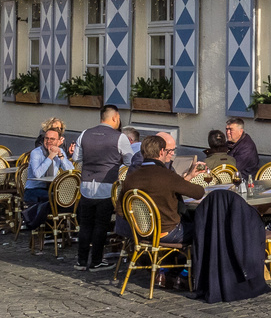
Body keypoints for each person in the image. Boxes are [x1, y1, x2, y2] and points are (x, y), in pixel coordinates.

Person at [73, 105, 136, 272]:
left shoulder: (84, 133)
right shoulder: (119, 137)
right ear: (115, 118)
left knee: (85, 225)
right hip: (107, 186)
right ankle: (95, 261)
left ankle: (81, 261)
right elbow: (130, 162)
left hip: (86, 185)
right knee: (101, 225)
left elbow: (76, 158)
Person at [121, 134, 207, 246]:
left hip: (138, 232)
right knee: (205, 227)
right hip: (167, 232)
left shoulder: (131, 177)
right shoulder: (166, 175)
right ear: (162, 152)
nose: (171, 154)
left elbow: (120, 209)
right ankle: (202, 262)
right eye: (169, 151)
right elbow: (199, 193)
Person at [24, 119, 75, 229]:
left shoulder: (59, 151)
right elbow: (38, 174)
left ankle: (63, 228)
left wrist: (61, 156)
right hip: (33, 190)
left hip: (50, 189)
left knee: (70, 199)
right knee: (53, 199)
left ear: (58, 141)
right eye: (47, 138)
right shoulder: (36, 153)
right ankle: (48, 227)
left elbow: (71, 171)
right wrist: (50, 157)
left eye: (52, 139)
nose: (49, 141)